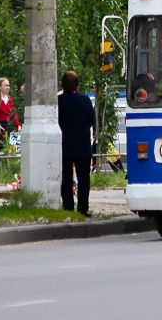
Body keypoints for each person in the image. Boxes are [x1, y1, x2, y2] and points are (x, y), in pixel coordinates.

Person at [58, 69, 96, 216]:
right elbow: (91, 120)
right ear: (77, 84)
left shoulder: (59, 101)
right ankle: (83, 209)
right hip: (83, 144)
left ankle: (68, 208)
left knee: (66, 178)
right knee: (83, 178)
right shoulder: (85, 100)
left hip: (65, 143)